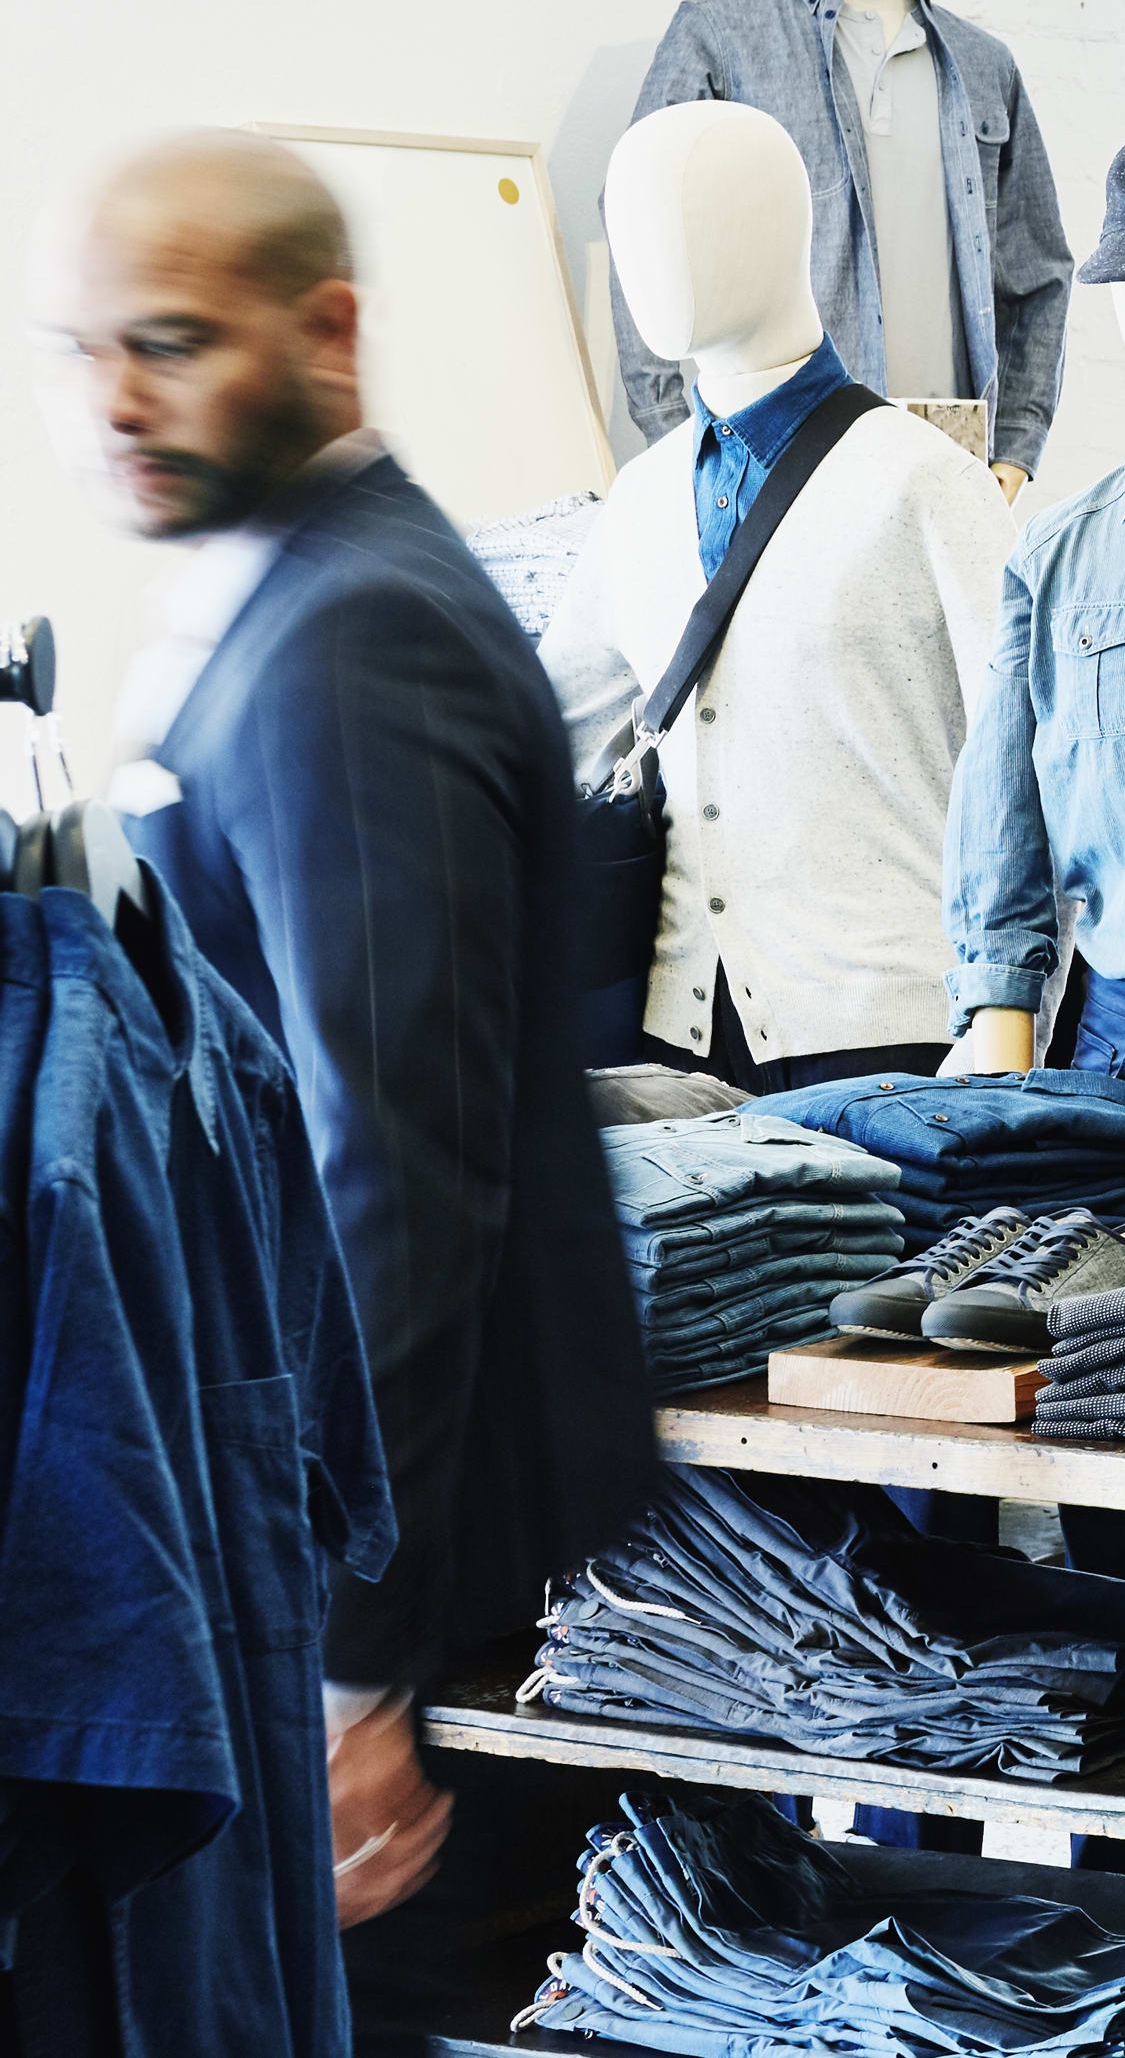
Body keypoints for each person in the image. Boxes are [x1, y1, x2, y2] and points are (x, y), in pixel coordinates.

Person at [33, 131, 665, 2043]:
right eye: (82, 353)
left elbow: (391, 1170)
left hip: (421, 1581)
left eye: (172, 342)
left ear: (327, 332)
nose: (116, 401)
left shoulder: (358, 633)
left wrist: (352, 1669)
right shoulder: (284, 592)